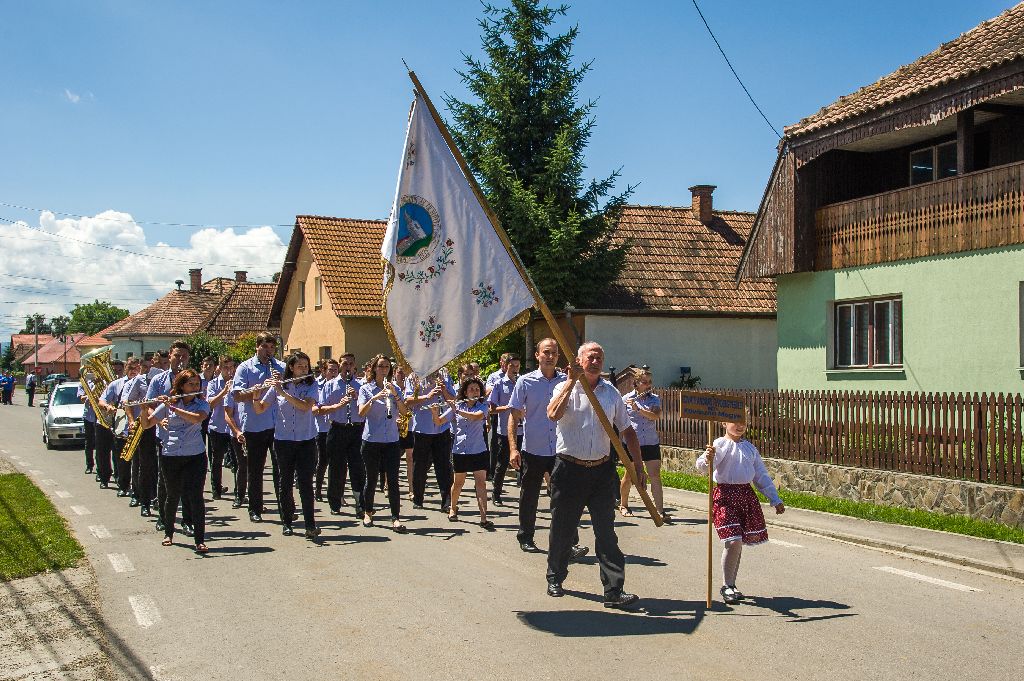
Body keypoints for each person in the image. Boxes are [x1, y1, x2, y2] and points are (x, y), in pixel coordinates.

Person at [545, 341, 645, 608]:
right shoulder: (563, 387)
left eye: (600, 356)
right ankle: (555, 576)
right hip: (569, 469)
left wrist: (637, 465)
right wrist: (570, 382)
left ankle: (613, 590)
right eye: (591, 356)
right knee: (563, 529)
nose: (596, 360)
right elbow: (553, 414)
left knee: (607, 532)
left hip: (601, 470)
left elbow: (628, 431)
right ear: (578, 360)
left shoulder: (611, 393)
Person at [507, 338, 588, 560]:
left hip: (561, 449)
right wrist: (513, 448)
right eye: (546, 352)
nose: (550, 356)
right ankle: (526, 536)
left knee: (564, 497)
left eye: (554, 353)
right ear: (537, 356)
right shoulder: (525, 382)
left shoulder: (568, 381)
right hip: (533, 448)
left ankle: (570, 543)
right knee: (529, 495)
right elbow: (513, 417)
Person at [696, 417, 785, 605]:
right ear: (723, 424)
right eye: (735, 421)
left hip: (745, 496)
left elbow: (761, 476)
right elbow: (703, 468)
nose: (740, 425)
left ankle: (731, 584)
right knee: (733, 540)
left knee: (738, 542)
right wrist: (707, 457)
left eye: (743, 421)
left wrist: (774, 498)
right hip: (724, 496)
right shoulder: (719, 444)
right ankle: (726, 585)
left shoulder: (750, 449)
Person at [253, 352, 320, 539]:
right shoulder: (279, 386)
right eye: (300, 366)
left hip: (306, 440)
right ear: (291, 367)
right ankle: (287, 522)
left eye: (306, 366)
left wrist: (283, 393)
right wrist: (256, 397)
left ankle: (310, 525)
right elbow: (260, 409)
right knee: (285, 482)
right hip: (283, 440)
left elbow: (305, 406)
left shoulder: (311, 385)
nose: (304, 369)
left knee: (306, 483)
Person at [148, 369, 211, 554]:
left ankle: (199, 540)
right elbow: (147, 424)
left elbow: (196, 419)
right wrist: (145, 409)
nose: (194, 387)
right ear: (181, 386)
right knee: (172, 495)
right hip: (171, 454)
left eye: (196, 384)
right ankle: (169, 533)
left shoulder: (202, 404)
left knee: (195, 497)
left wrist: (173, 408)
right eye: (190, 384)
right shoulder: (168, 404)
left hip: (195, 455)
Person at [231, 332, 285, 523]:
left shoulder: (281, 367)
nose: (269, 351)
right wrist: (260, 388)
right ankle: (255, 508)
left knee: (281, 468)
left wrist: (280, 384)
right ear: (257, 347)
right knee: (256, 469)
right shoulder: (245, 367)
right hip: (255, 424)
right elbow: (237, 395)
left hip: (279, 424)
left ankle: (284, 507)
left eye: (272, 348)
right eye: (265, 347)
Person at [145, 342, 197, 535]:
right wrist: (160, 421)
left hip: (190, 438)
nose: (181, 359)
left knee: (189, 483)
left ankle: (188, 520)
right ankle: (164, 518)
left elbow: (201, 404)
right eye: (177, 355)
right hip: (166, 437)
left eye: (184, 356)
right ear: (170, 356)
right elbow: (150, 406)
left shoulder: (194, 379)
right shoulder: (158, 380)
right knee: (166, 481)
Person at [356, 354, 408, 532]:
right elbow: (361, 412)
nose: (384, 369)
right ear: (374, 369)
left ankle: (396, 517)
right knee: (371, 479)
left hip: (392, 440)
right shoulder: (365, 389)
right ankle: (368, 512)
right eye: (381, 366)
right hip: (371, 440)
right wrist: (375, 397)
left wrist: (395, 395)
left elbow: (404, 411)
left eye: (387, 367)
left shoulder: (394, 389)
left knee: (393, 480)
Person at [432, 377, 493, 529]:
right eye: (471, 389)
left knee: (481, 483)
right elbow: (439, 422)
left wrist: (456, 410)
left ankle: (484, 518)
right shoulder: (457, 405)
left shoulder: (484, 405)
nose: (475, 392)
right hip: (460, 450)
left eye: (477, 389)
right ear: (465, 392)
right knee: (458, 483)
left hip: (478, 450)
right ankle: (453, 508)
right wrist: (434, 412)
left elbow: (477, 416)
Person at [318, 354, 365, 516]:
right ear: (339, 365)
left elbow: (367, 409)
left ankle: (360, 502)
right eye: (345, 364)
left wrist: (358, 397)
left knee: (357, 467)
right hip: (337, 429)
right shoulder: (330, 385)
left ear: (354, 366)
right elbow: (319, 409)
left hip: (357, 429)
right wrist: (338, 405)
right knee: (336, 468)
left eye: (351, 364)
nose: (348, 367)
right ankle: (335, 502)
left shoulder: (361, 385)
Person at [618, 369, 668, 519]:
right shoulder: (626, 399)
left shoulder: (654, 399)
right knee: (630, 476)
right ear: (636, 383)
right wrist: (619, 445)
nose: (648, 385)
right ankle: (623, 505)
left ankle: (660, 511)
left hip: (651, 442)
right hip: (633, 443)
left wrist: (638, 409)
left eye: (649, 382)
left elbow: (655, 415)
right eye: (644, 382)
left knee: (655, 475)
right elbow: (620, 422)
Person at [404, 368, 455, 513]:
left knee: (444, 467)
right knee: (420, 466)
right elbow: (407, 400)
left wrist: (444, 390)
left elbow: (454, 400)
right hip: (422, 428)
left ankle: (446, 502)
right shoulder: (414, 377)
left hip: (442, 428)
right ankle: (418, 498)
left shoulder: (445, 375)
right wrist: (428, 396)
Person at [487, 354, 521, 506]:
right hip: (505, 430)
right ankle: (496, 493)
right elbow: (491, 409)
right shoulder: (499, 384)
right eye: (512, 365)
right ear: (506, 366)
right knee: (502, 462)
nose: (515, 369)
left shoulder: (522, 382)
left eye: (517, 366)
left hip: (522, 430)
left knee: (525, 463)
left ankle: (525, 494)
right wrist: (507, 408)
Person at [205, 355, 237, 500]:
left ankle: (239, 491)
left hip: (233, 427)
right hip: (217, 427)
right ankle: (216, 489)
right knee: (217, 461)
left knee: (237, 461)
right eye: (226, 367)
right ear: (219, 368)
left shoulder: (238, 382)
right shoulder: (213, 384)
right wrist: (224, 391)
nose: (229, 370)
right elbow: (210, 404)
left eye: (231, 367)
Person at [120, 359, 149, 510]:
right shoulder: (135, 382)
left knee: (151, 465)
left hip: (154, 426)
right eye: (143, 367)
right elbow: (126, 402)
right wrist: (131, 421)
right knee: (138, 464)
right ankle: (137, 494)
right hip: (138, 425)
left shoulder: (158, 379)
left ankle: (150, 495)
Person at [95, 359, 127, 490]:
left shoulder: (127, 383)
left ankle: (120, 479)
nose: (117, 373)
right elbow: (101, 401)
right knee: (103, 451)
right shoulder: (104, 383)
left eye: (119, 370)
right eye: (114, 371)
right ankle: (104, 477)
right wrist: (107, 406)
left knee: (118, 452)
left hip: (120, 420)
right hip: (104, 420)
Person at [484, 353, 511, 477]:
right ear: (501, 363)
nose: (507, 366)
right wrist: (498, 384)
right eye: (505, 364)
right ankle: (492, 470)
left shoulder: (516, 376)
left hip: (510, 413)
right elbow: (486, 392)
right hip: (496, 411)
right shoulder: (494, 376)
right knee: (495, 442)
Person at [77, 377, 98, 475]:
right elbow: (81, 398)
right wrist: (92, 393)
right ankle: (89, 465)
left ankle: (101, 469)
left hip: (100, 416)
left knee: (100, 444)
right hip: (89, 416)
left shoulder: (103, 381)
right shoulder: (84, 383)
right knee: (89, 442)